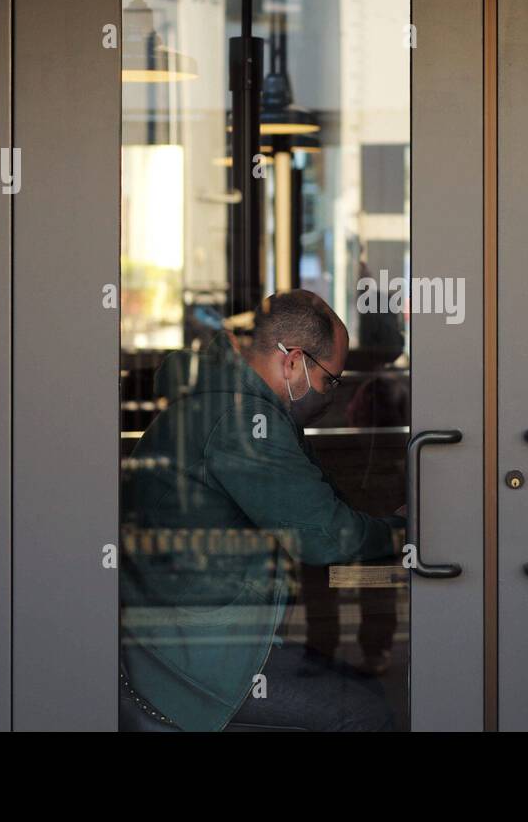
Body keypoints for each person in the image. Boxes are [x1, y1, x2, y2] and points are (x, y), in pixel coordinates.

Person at [120, 290, 401, 731]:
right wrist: (402, 532)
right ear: (293, 361)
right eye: (331, 379)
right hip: (189, 658)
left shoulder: (225, 398)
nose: (332, 395)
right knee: (363, 712)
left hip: (179, 634)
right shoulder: (244, 418)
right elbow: (325, 536)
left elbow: (314, 503)